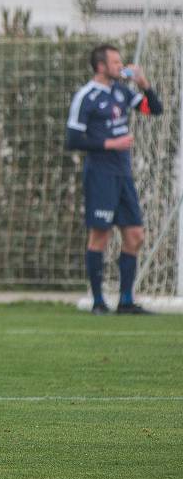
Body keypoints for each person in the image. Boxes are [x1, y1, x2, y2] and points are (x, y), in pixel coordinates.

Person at [66, 44, 163, 315]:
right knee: (100, 235)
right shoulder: (86, 96)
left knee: (135, 235)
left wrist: (144, 84)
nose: (121, 66)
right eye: (115, 62)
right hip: (100, 175)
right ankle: (98, 301)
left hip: (123, 175)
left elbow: (154, 109)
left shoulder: (122, 91)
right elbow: (73, 139)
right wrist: (112, 142)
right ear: (101, 66)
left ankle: (126, 301)